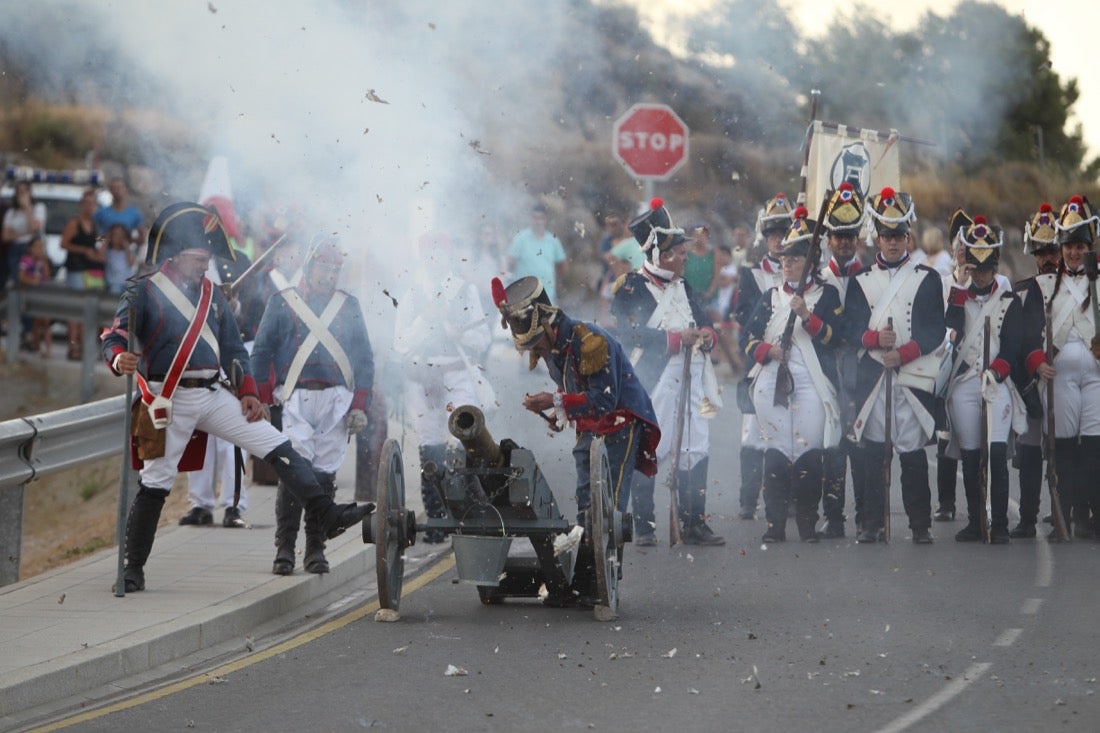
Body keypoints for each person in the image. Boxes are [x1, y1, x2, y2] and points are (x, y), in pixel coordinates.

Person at [100, 202, 372, 592]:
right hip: (168, 398)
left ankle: (325, 513)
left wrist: (247, 392)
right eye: (198, 258)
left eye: (206, 258)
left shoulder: (212, 294)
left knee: (277, 445)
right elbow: (115, 336)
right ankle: (132, 568)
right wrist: (118, 358)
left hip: (212, 394)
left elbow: (233, 351)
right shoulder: (143, 291)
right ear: (175, 255)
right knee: (156, 482)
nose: (203, 265)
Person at [493, 275, 659, 604]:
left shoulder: (590, 341)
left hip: (621, 423)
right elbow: (572, 387)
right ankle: (586, 579)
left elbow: (604, 400)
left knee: (607, 506)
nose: (536, 350)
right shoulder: (554, 346)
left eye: (537, 342)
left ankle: (604, 577)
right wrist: (559, 412)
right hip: (589, 425)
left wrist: (555, 403)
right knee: (586, 501)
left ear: (550, 325)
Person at [251, 234, 375, 575]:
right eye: (324, 265)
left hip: (336, 399)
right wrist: (261, 399)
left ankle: (316, 549)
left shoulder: (348, 305)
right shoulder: (282, 301)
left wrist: (360, 404)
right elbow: (261, 353)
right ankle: (285, 548)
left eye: (336, 267)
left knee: (323, 475)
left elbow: (364, 358)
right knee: (295, 473)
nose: (330, 273)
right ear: (310, 265)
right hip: (295, 398)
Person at [611, 198, 725, 546]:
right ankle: (645, 526)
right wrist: (676, 339)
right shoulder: (629, 288)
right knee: (649, 449)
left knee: (695, 448)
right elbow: (629, 334)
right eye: (679, 251)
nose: (686, 256)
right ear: (660, 254)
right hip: (653, 379)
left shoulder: (685, 287)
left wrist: (707, 336)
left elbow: (705, 323)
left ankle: (693, 524)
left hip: (692, 377)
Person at [842, 187, 945, 544]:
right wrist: (874, 340)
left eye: (899, 235)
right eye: (887, 236)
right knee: (873, 455)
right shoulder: (861, 282)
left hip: (911, 376)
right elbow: (850, 328)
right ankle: (872, 523)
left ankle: (920, 525)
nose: (893, 243)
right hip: (874, 379)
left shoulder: (927, 278)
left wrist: (902, 353)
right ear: (878, 238)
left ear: (908, 237)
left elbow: (935, 329)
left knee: (913, 457)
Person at [741, 206, 843, 542]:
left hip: (813, 383)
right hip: (772, 381)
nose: (788, 263)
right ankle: (775, 526)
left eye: (796, 258)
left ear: (810, 262)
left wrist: (807, 317)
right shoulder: (771, 297)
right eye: (785, 258)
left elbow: (835, 339)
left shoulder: (826, 296)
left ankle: (806, 524)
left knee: (809, 455)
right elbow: (748, 340)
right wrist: (767, 351)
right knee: (776, 454)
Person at [392, 233, 493, 545]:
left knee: (464, 442)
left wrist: (457, 333)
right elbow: (401, 343)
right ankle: (436, 516)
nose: (435, 260)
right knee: (430, 449)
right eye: (430, 254)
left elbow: (483, 338)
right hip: (424, 378)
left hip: (458, 373)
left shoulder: (466, 291)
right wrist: (427, 320)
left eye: (440, 253)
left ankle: (469, 509)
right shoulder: (412, 295)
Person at [942, 211, 1026, 544]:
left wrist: (996, 372)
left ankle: (1000, 522)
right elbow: (948, 323)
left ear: (995, 268)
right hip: (965, 384)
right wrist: (960, 285)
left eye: (987, 269)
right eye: (976, 269)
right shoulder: (959, 295)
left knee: (995, 455)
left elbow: (1013, 347)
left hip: (997, 383)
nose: (981, 275)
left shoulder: (1008, 301)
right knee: (972, 455)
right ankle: (977, 521)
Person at [1021, 195, 1100, 540]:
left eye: (1080, 245)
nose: (1073, 252)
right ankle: (1064, 515)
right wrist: (1038, 363)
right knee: (1064, 446)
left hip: (1096, 376)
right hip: (1060, 376)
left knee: (1095, 447)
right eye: (1069, 245)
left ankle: (1092, 515)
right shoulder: (1042, 286)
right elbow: (1026, 336)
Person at [733, 193, 792, 521]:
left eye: (784, 234)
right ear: (766, 237)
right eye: (773, 235)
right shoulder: (752, 274)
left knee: (791, 432)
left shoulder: (802, 271)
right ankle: (747, 499)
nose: (779, 240)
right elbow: (742, 316)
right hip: (759, 360)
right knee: (753, 434)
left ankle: (789, 498)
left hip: (794, 359)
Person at [1007, 204, 1063, 538]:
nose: (1049, 259)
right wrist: (1027, 379)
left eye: (1053, 250)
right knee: (1029, 453)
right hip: (1031, 383)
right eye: (1042, 252)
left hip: (1063, 380)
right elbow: (1013, 340)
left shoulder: (1079, 287)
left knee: (1063, 451)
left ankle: (1062, 511)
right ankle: (1027, 517)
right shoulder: (1022, 290)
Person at [817, 182, 868, 538]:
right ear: (829, 240)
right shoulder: (818, 278)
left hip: (863, 367)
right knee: (832, 445)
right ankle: (834, 518)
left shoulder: (870, 277)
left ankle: (867, 518)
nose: (845, 242)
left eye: (850, 235)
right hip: (827, 367)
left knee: (863, 446)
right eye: (839, 236)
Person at [59, 188, 105, 360]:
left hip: (90, 272)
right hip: (76, 269)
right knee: (75, 312)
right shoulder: (75, 223)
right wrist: (84, 250)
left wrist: (102, 247)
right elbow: (63, 243)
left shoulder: (95, 225)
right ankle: (73, 346)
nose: (89, 206)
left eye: (92, 203)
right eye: (86, 203)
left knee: (87, 311)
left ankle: (84, 346)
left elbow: (100, 240)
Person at [507, 203, 566, 302]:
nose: (538, 221)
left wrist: (556, 281)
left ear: (545, 219)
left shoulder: (553, 240)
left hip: (547, 293)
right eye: (535, 218)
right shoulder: (521, 238)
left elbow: (561, 264)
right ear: (530, 219)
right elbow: (509, 262)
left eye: (541, 218)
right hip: (524, 294)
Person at [2, 181, 46, 290]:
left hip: (33, 248)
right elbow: (5, 237)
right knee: (19, 279)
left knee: (34, 279)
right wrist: (25, 233)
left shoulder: (38, 208)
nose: (21, 194)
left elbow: (35, 228)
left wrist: (27, 209)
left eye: (25, 191)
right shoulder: (12, 212)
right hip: (16, 249)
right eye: (19, 192)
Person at [17, 236, 52, 356]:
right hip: (29, 296)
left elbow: (47, 275)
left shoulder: (42, 262)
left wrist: (43, 262)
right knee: (35, 323)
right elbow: (21, 277)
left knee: (45, 322)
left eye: (41, 247)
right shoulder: (26, 260)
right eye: (36, 247)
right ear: (30, 248)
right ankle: (36, 346)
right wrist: (33, 281)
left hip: (41, 296)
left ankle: (48, 349)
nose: (39, 250)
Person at [94, 177, 146, 245]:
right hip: (105, 254)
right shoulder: (101, 213)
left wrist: (128, 241)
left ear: (125, 190)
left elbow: (142, 239)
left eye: (119, 188)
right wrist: (108, 240)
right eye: (113, 188)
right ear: (110, 191)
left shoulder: (134, 213)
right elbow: (93, 237)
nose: (116, 191)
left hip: (125, 254)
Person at [104, 223, 136, 296]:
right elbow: (100, 257)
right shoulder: (108, 251)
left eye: (122, 235)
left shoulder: (128, 251)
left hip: (128, 283)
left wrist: (127, 248)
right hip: (114, 284)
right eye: (115, 235)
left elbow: (131, 263)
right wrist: (106, 240)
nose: (119, 237)